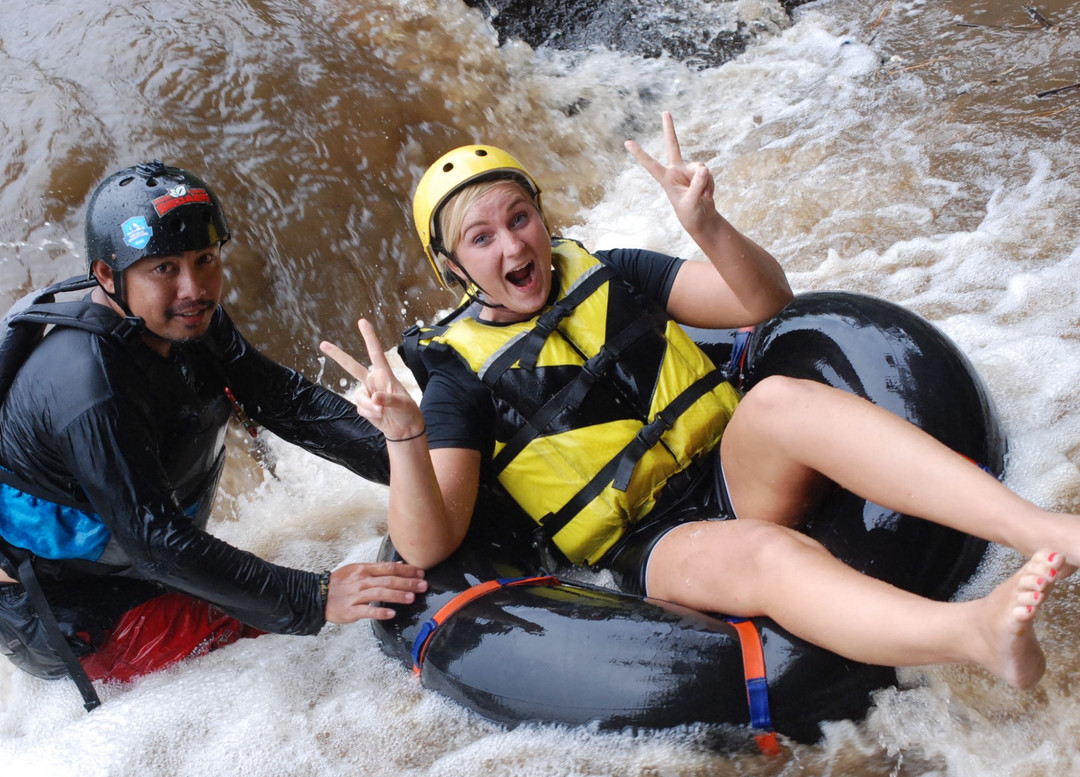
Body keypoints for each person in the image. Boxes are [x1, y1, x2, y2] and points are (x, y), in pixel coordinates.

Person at [320, 112, 1075, 692]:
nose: (514, 248)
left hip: (731, 469)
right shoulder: (458, 377)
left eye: (519, 219)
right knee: (765, 555)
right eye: (482, 239)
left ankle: (1048, 531)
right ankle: (974, 635)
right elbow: (429, 544)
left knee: (778, 399)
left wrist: (706, 225)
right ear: (454, 267)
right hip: (654, 542)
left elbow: (764, 302)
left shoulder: (610, 270)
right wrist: (405, 434)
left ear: (541, 217)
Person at [0, 160, 426, 707]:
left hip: (137, 553)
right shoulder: (88, 385)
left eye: (205, 260)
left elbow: (287, 403)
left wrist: (419, 465)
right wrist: (316, 595)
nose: (194, 288)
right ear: (107, 275)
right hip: (70, 613)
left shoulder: (187, 321)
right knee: (296, 645)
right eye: (164, 268)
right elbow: (157, 543)